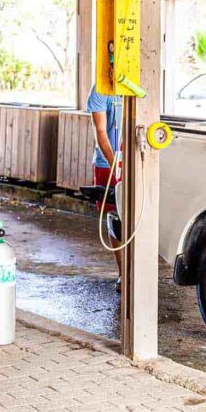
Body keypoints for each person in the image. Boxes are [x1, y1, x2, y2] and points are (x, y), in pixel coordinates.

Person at [87, 85, 124, 279]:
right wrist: (114, 163)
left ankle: (137, 270)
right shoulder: (100, 89)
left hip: (134, 160)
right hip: (107, 162)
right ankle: (123, 273)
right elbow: (100, 131)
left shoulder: (138, 84)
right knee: (114, 215)